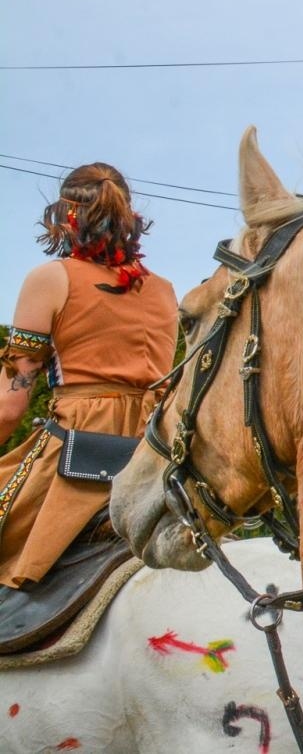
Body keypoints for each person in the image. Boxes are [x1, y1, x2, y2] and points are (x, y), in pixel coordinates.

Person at [0, 163, 178, 588]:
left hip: (75, 448)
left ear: (65, 217)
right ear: (128, 216)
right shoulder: (164, 289)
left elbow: (10, 405)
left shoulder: (50, 279)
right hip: (150, 454)